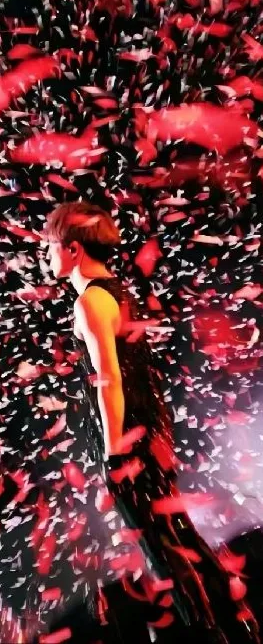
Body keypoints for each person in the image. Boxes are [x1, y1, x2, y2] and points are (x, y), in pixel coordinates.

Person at [42, 200, 260, 643]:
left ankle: (209, 632)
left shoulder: (91, 301)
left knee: (161, 546)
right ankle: (235, 623)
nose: (46, 257)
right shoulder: (115, 291)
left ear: (73, 250)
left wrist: (113, 448)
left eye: (50, 247)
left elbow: (110, 380)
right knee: (175, 534)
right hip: (149, 427)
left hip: (131, 438)